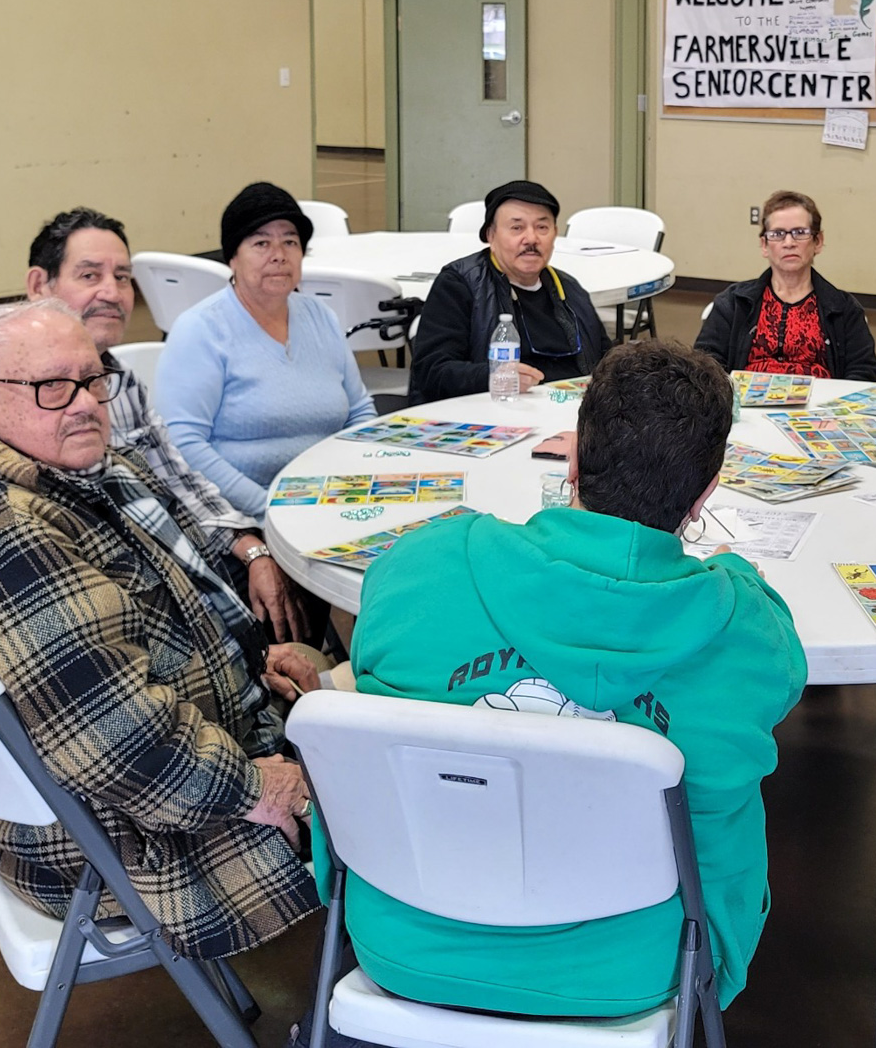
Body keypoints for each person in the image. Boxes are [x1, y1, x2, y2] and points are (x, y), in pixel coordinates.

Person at [323, 339, 806, 1017]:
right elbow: (778, 689)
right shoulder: (745, 628)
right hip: (638, 965)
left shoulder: (419, 565)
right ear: (705, 493)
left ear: (572, 460)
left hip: (404, 942)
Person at [0, 301, 320, 960]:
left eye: (94, 381)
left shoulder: (49, 468)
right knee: (409, 799)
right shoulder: (14, 538)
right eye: (52, 386)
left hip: (137, 779)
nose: (86, 403)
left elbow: (166, 596)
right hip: (127, 833)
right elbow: (121, 745)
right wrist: (258, 788)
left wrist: (249, 654)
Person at [0, 207, 311, 644]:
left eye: (122, 277)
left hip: (160, 553)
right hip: (102, 596)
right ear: (40, 285)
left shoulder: (117, 380)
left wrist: (251, 548)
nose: (112, 293)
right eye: (90, 275)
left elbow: (178, 481)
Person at [157, 182, 376, 518]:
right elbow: (184, 445)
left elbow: (359, 411)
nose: (279, 255)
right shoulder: (202, 329)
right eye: (261, 243)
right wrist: (271, 508)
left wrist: (358, 486)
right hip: (242, 512)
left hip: (330, 500)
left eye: (290, 241)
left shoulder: (321, 317)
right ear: (233, 257)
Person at [407, 180, 611, 403]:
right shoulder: (460, 285)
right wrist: (494, 377)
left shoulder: (570, 289)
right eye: (517, 228)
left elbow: (606, 361)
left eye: (542, 227)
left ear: (555, 234)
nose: (531, 239)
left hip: (569, 409)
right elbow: (431, 372)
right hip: (492, 412)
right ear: (491, 236)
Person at [692, 189, 876, 380]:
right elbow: (704, 366)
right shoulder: (733, 303)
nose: (789, 242)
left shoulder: (844, 309)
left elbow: (863, 374)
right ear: (764, 245)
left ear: (818, 241)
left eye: (800, 232)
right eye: (778, 234)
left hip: (819, 407)